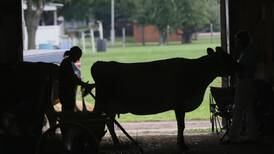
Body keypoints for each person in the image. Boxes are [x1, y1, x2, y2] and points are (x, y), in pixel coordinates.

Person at [224, 30, 259, 144]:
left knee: (238, 109)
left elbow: (242, 67)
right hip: (247, 82)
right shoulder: (248, 51)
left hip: (245, 82)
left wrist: (233, 60)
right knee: (249, 110)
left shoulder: (248, 52)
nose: (237, 43)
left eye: (238, 41)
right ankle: (252, 136)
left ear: (242, 40)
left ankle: (233, 136)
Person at [59, 46, 92, 112]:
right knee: (68, 110)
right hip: (66, 93)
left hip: (66, 92)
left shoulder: (67, 62)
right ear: (74, 55)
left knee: (68, 109)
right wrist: (83, 84)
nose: (78, 59)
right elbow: (72, 78)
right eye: (78, 56)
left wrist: (82, 83)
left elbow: (73, 77)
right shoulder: (67, 63)